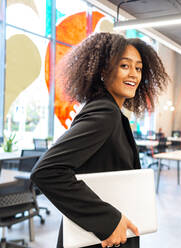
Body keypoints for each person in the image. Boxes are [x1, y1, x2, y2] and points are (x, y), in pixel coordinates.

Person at [31, 32, 168, 248]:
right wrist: (108, 221)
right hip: (101, 238)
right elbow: (47, 171)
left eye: (138, 68)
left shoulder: (109, 110)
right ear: (104, 70)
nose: (133, 74)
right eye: (125, 66)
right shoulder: (105, 112)